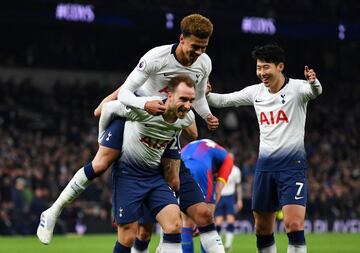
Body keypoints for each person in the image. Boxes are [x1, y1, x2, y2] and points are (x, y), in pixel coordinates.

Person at [36, 13, 217, 245]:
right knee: (101, 163)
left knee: (173, 182)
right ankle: (52, 212)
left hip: (166, 123)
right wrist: (143, 104)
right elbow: (125, 93)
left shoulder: (204, 63)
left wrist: (207, 115)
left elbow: (200, 97)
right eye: (195, 47)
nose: (199, 53)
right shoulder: (156, 57)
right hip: (136, 113)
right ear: (182, 39)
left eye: (204, 47)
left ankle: (165, 242)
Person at [206, 44, 322, 253]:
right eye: (259, 68)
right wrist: (206, 94)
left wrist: (314, 82)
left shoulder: (297, 89)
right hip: (265, 167)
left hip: (292, 166)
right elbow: (224, 100)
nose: (261, 73)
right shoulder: (255, 92)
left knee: (293, 225)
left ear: (280, 67)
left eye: (265, 67)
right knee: (262, 228)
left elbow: (314, 91)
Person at [132, 140, 228, 253]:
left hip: (177, 166)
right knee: (143, 233)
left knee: (203, 215)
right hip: (146, 169)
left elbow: (192, 133)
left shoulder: (183, 128)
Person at [180, 139, 234, 253]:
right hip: (201, 168)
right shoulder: (227, 158)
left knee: (186, 221)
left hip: (180, 165)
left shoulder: (192, 145)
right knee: (207, 222)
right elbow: (218, 189)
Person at [214, 152, 243, 252]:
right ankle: (217, 244)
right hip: (220, 196)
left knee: (231, 220)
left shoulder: (236, 170)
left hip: (230, 197)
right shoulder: (220, 168)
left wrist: (239, 200)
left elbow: (238, 186)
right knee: (218, 222)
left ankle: (228, 244)